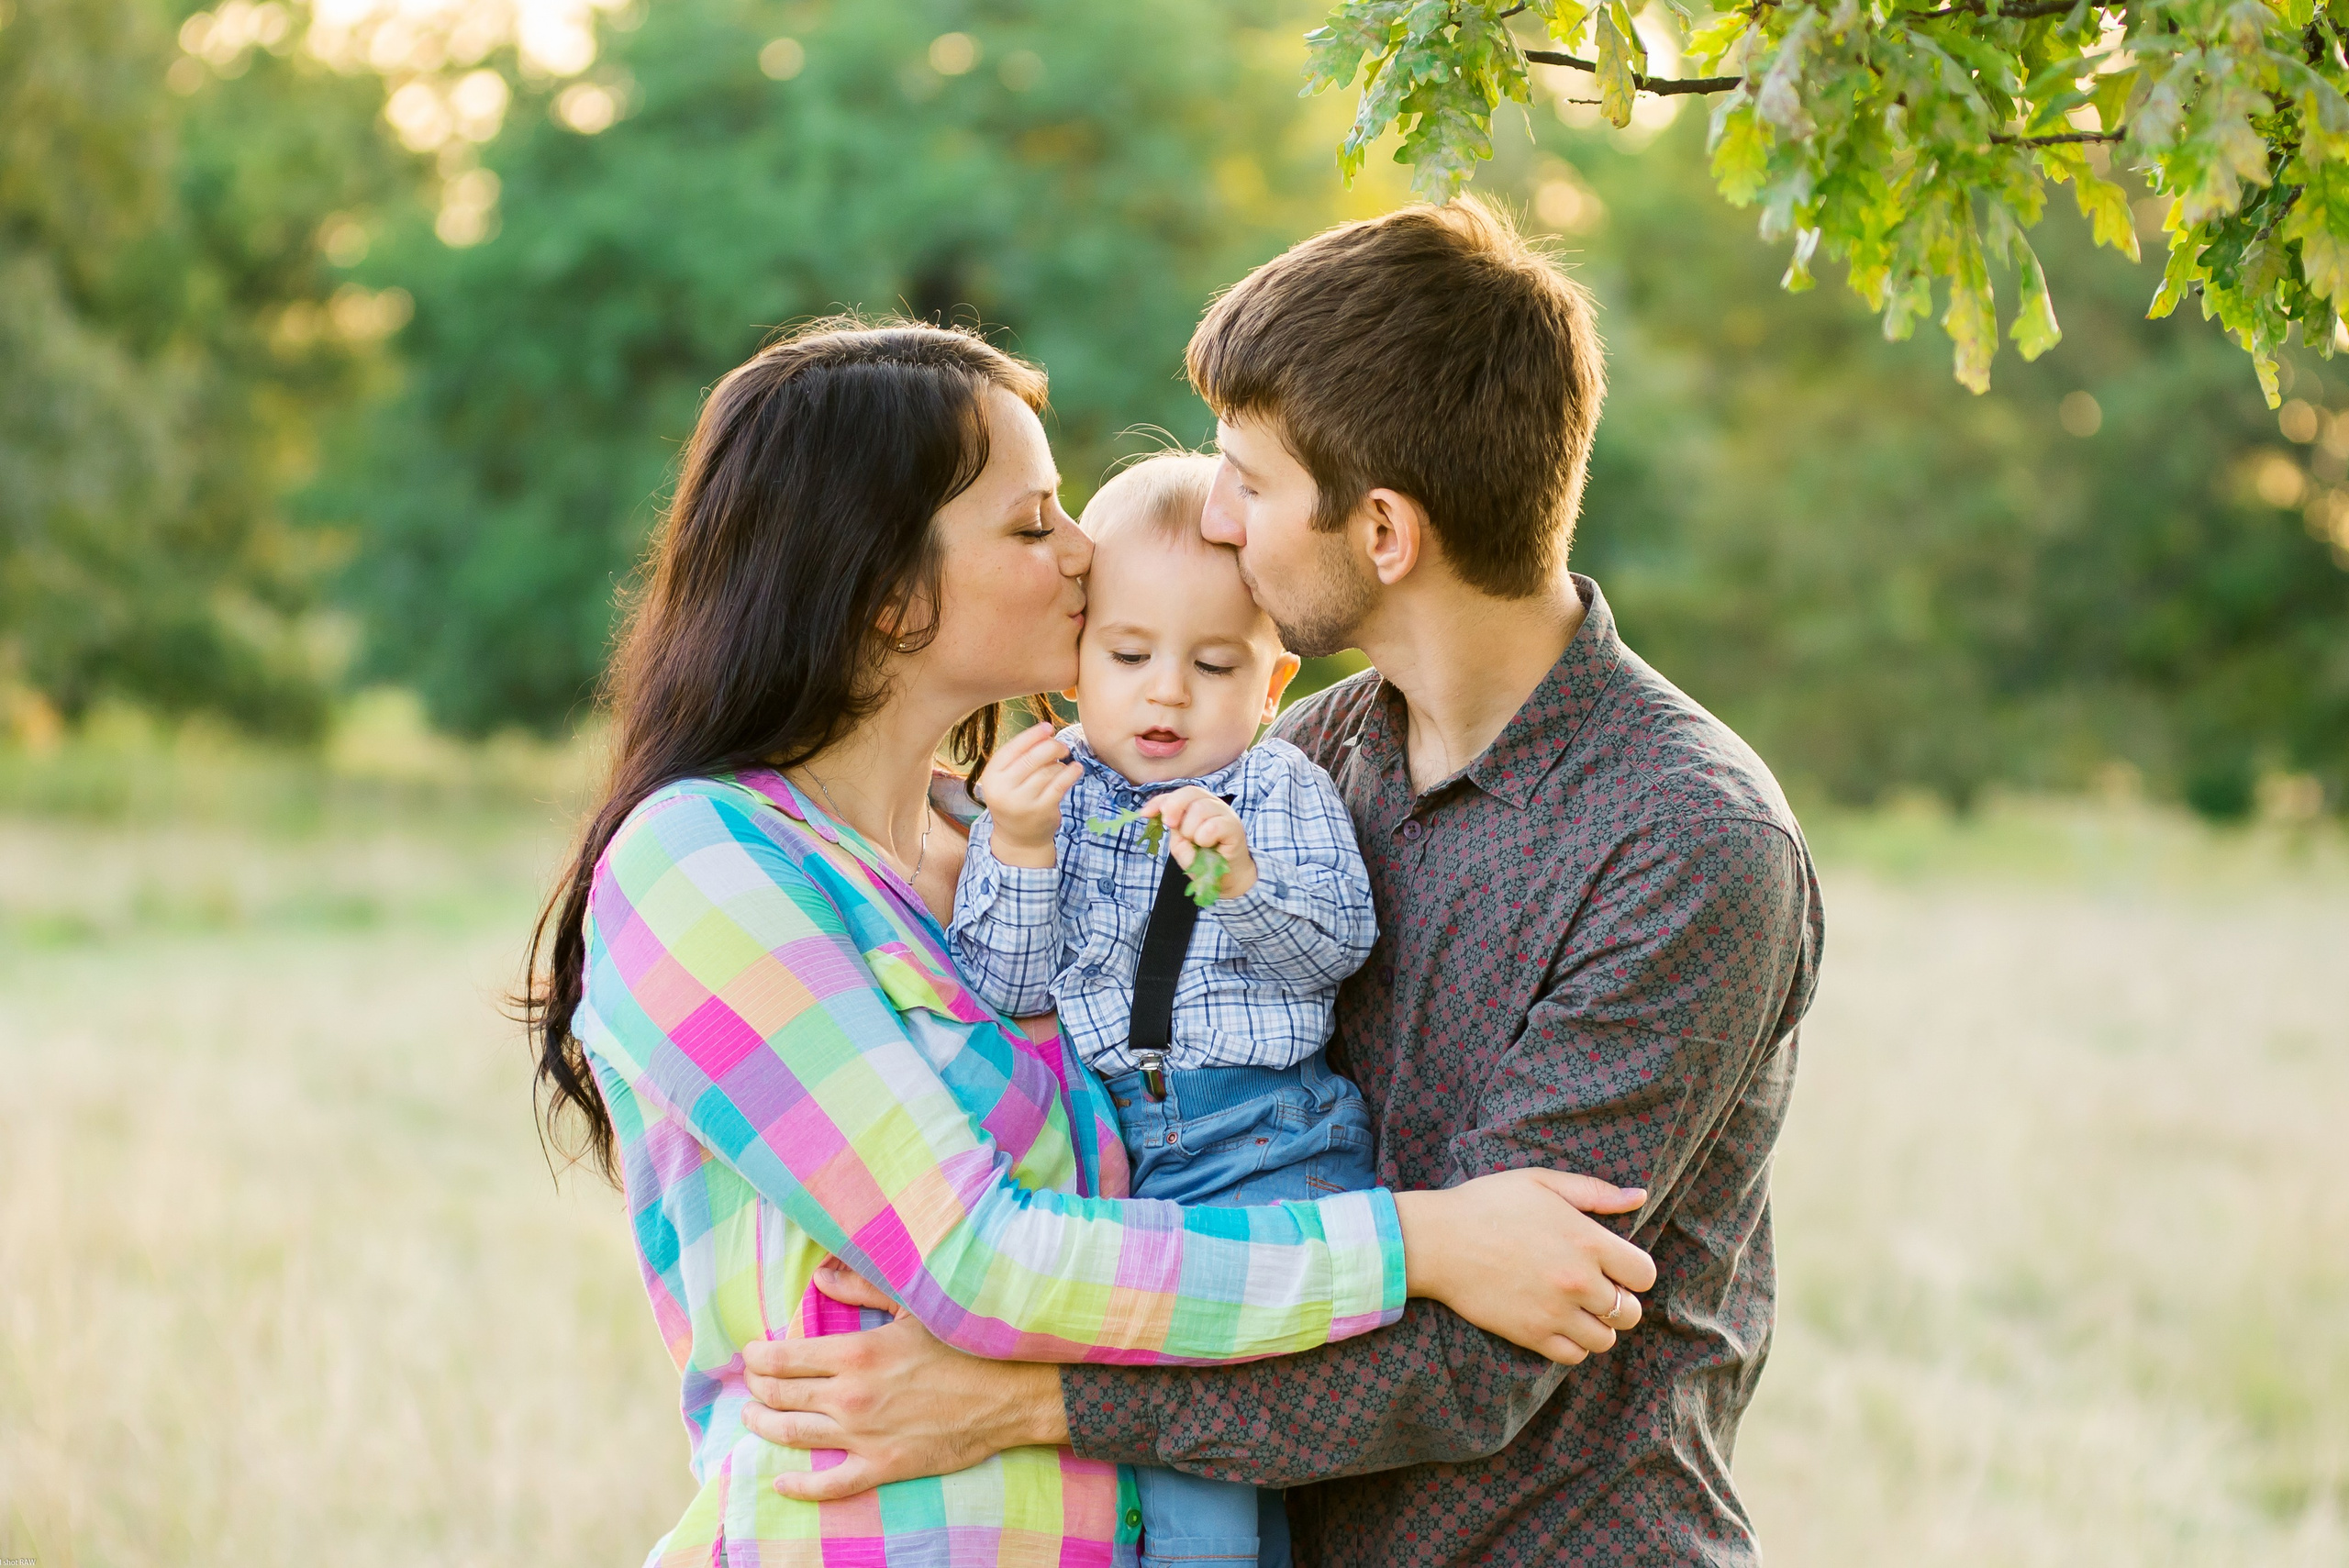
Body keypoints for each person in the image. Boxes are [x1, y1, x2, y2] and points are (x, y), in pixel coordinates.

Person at [738, 203, 1826, 1566]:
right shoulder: (1304, 754)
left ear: (1382, 531)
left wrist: (1025, 1402)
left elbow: (1477, 1359)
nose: (1215, 514)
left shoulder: (1683, 839)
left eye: (1246, 480)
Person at [521, 317, 1662, 1567]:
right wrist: (1422, 1242)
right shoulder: (707, 863)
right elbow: (979, 1255)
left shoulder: (998, 851)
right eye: (1033, 525)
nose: (1083, 550)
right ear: (889, 592)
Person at [949, 452, 1382, 1568]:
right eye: (1129, 654)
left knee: (1208, 1470)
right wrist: (1019, 846)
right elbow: (1004, 989)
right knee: (1157, 1472)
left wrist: (1239, 884)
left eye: (1214, 662)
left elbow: (1337, 947)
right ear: (1076, 659)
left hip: (1261, 1143)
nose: (1167, 693)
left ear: (1273, 682)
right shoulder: (1049, 792)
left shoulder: (1276, 787)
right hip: (1114, 1159)